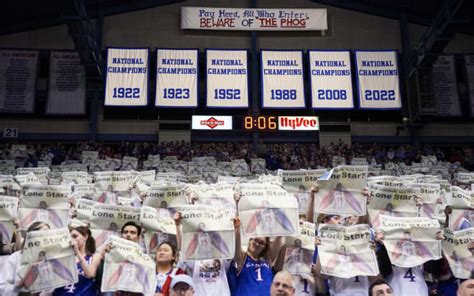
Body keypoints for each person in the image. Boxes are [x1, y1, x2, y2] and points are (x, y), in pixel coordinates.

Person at [0, 221, 50, 295]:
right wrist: (18, 288)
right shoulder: (15, 258)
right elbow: (2, 288)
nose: (46, 237)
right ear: (30, 235)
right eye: (43, 233)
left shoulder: (52, 260)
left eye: (49, 234)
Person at [53, 226, 101, 295]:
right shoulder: (64, 258)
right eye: (69, 238)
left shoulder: (94, 257)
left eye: (75, 236)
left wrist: (77, 251)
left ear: (85, 237)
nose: (72, 240)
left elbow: (90, 274)